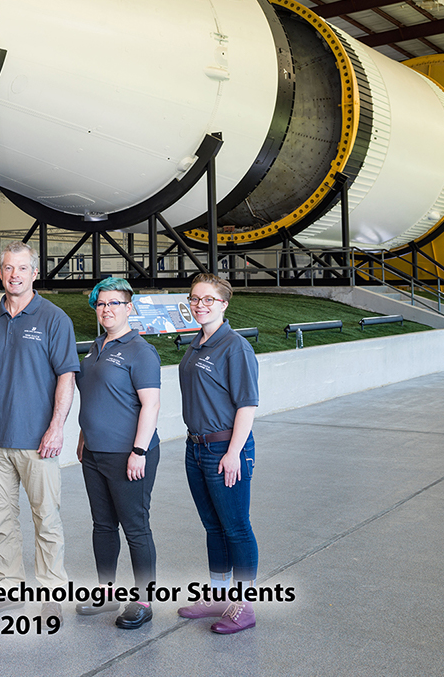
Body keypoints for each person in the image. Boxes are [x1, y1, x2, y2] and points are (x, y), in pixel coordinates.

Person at [0, 241, 78, 624]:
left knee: (46, 519)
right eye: (7, 268)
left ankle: (52, 592)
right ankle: (9, 588)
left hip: (37, 442)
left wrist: (56, 429)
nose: (13, 275)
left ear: (35, 273)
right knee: (1, 522)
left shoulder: (53, 319)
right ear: (1, 272)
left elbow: (67, 376)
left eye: (21, 268)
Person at [75, 277, 161, 629]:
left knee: (135, 528)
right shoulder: (95, 348)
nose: (106, 310)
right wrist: (83, 435)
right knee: (103, 525)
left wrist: (139, 450)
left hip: (129, 454)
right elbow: (95, 398)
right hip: (94, 452)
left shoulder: (140, 351)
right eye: (101, 304)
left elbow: (151, 405)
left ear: (129, 307)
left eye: (114, 303)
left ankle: (145, 600)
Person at [177, 272, 259, 634]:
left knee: (236, 527)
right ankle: (219, 596)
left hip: (225, 449)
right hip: (196, 447)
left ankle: (245, 605)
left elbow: (247, 405)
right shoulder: (196, 344)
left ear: (224, 304)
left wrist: (233, 453)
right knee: (213, 526)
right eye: (195, 298)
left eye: (208, 299)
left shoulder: (234, 346)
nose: (199, 305)